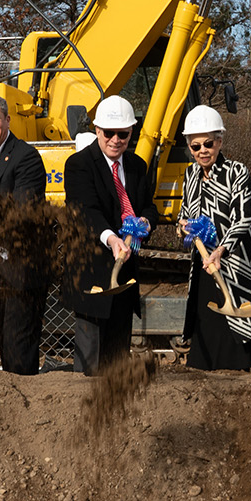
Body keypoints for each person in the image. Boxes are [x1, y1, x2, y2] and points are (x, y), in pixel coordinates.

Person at [178, 105, 251, 370]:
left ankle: (242, 369)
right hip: (203, 262)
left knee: (240, 320)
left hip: (234, 261)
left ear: (219, 141)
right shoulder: (189, 174)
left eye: (208, 144)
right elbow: (186, 211)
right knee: (207, 317)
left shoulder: (237, 171)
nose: (202, 151)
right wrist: (183, 225)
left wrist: (221, 250)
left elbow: (243, 218)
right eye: (195, 145)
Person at [62, 96, 158, 375]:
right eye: (109, 133)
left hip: (125, 278)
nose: (116, 140)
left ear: (131, 133)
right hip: (92, 276)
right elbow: (84, 210)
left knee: (117, 361)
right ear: (97, 130)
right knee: (90, 366)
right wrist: (111, 238)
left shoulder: (138, 166)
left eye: (123, 134)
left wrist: (146, 223)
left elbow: (149, 206)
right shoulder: (79, 165)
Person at [0, 94, 49, 375]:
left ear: (7, 120)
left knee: (19, 349)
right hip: (1, 266)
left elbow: (21, 213)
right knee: (5, 343)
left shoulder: (26, 157)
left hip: (24, 266)